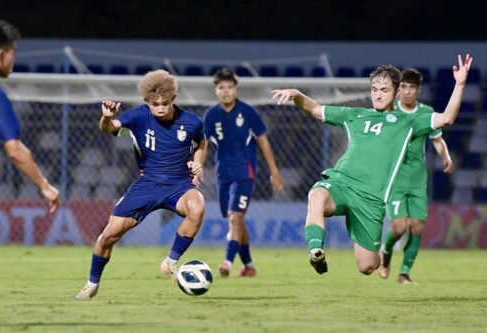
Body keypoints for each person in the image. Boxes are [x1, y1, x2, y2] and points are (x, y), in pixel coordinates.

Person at [271, 54, 471, 276]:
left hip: (371, 200)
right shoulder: (355, 115)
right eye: (374, 89)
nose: (377, 94)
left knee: (367, 266)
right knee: (316, 195)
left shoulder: (409, 122)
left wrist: (460, 84)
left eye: (384, 90)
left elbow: (447, 118)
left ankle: (382, 254)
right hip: (342, 183)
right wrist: (297, 95)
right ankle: (316, 250)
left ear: (395, 93)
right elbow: (315, 110)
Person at [75, 69, 207, 300]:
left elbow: (202, 143)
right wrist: (106, 117)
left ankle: (171, 261)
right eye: (155, 104)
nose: (161, 108)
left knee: (198, 207)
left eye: (165, 103)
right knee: (109, 236)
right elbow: (108, 128)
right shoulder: (138, 116)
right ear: (146, 101)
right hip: (147, 185)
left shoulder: (192, 122)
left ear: (173, 99)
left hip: (179, 185)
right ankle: (92, 283)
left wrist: (198, 165)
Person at [203, 68, 283, 277]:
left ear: (236, 89)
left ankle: (227, 263)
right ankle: (248, 265)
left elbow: (263, 140)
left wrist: (274, 171)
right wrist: (197, 168)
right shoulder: (211, 115)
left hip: (244, 173)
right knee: (236, 219)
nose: (226, 91)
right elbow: (204, 144)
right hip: (223, 175)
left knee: (234, 217)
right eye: (222, 87)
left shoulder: (247, 112)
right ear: (216, 90)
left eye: (230, 87)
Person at [379, 68, 454, 284]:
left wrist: (445, 157)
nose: (407, 91)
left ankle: (404, 273)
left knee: (417, 226)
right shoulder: (389, 111)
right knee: (399, 227)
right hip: (395, 178)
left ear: (418, 90)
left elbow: (437, 139)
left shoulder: (426, 112)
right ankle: (386, 250)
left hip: (417, 178)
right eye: (403, 87)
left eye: (412, 87)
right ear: (398, 89)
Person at [0, 19, 59, 212]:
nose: (14, 60)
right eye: (14, 53)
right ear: (0, 55)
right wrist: (45, 186)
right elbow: (15, 151)